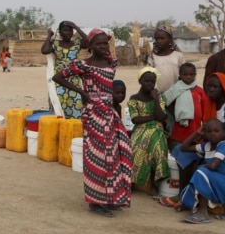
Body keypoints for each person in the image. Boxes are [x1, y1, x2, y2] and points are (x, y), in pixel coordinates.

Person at [52, 29, 132, 218]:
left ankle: (111, 196)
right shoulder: (83, 65)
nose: (103, 47)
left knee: (115, 152)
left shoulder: (112, 63)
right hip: (93, 112)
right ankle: (96, 201)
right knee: (96, 156)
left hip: (109, 112)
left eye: (105, 43)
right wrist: (82, 92)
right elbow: (58, 77)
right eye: (98, 44)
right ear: (90, 46)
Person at [178, 119, 225, 224]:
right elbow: (183, 147)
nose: (212, 134)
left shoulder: (224, 145)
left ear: (223, 133)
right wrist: (197, 133)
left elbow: (213, 165)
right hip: (223, 186)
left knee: (201, 173)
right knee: (204, 173)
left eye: (216, 131)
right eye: (209, 131)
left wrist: (200, 168)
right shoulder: (206, 146)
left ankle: (203, 213)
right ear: (204, 133)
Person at [159, 63, 207, 207]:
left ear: (195, 75)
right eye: (185, 74)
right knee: (180, 166)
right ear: (180, 75)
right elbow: (165, 103)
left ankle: (187, 195)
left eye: (191, 74)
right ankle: (180, 194)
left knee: (191, 166)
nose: (188, 77)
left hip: (195, 134)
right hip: (178, 134)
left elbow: (204, 114)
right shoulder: (175, 90)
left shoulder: (200, 92)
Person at [128, 67, 170, 195]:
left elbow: (162, 117)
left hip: (157, 129)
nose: (150, 84)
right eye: (147, 81)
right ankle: (131, 182)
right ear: (140, 81)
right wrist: (153, 117)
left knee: (158, 149)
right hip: (140, 129)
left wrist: (155, 99)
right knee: (135, 150)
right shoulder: (134, 98)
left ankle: (154, 184)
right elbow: (135, 119)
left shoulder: (159, 97)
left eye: (152, 82)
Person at [41, 21, 88, 119]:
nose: (68, 33)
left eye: (70, 30)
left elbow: (89, 41)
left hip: (74, 79)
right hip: (59, 80)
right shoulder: (55, 44)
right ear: (60, 32)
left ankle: (73, 127)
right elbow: (44, 50)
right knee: (58, 103)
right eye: (65, 30)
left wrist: (76, 27)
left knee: (77, 102)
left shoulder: (77, 43)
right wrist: (49, 35)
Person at [145, 25, 185, 93]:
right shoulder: (152, 57)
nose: (159, 41)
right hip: (158, 94)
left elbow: (184, 74)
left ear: (170, 39)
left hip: (176, 94)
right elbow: (148, 76)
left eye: (162, 38)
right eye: (157, 38)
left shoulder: (178, 56)